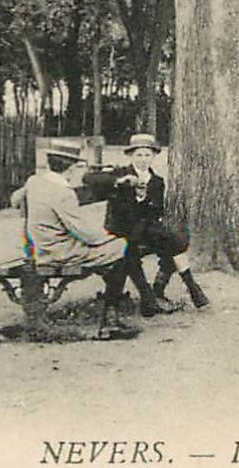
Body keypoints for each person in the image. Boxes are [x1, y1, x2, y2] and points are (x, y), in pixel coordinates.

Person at [11, 140, 142, 335]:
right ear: (71, 168)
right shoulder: (63, 193)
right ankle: (109, 319)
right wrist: (108, 237)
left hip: (40, 246)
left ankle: (113, 306)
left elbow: (14, 200)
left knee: (114, 247)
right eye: (79, 166)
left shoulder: (34, 181)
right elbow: (84, 233)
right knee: (121, 247)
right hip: (60, 252)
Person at [111, 134, 209, 310]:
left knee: (176, 242)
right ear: (131, 156)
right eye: (139, 155)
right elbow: (91, 179)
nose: (143, 159)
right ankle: (148, 296)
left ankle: (188, 286)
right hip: (123, 229)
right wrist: (120, 183)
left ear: (153, 157)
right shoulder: (121, 174)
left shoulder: (156, 181)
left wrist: (146, 201)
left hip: (146, 228)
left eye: (147, 155)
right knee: (130, 250)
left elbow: (158, 210)